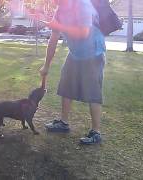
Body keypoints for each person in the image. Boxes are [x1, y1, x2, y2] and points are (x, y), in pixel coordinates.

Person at [39, 0, 106, 145]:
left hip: (93, 53)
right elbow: (53, 38)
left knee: (92, 92)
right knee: (66, 86)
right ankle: (63, 123)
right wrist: (46, 65)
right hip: (75, 53)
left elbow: (83, 32)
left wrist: (59, 26)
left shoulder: (82, 4)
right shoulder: (60, 10)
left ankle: (96, 132)